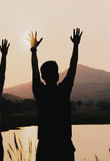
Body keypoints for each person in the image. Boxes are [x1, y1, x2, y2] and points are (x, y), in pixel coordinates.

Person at [26, 28, 83, 161]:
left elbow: (34, 71)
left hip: (45, 147)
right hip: (64, 146)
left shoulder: (40, 91)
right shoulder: (63, 90)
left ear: (43, 76)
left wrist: (33, 50)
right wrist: (75, 45)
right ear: (57, 75)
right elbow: (73, 67)